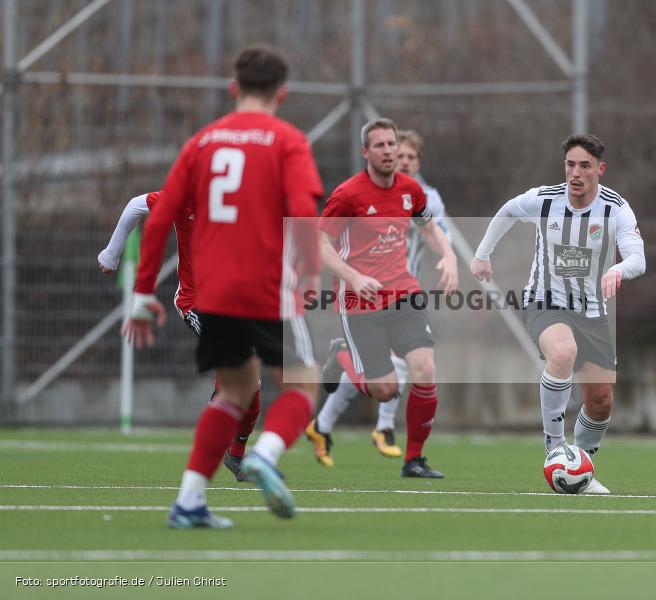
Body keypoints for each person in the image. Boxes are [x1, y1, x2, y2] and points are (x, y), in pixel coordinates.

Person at [122, 45, 323, 528]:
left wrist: (143, 292)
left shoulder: (202, 142)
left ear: (234, 88)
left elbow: (160, 216)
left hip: (211, 291)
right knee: (302, 383)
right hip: (268, 285)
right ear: (282, 92)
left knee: (233, 394)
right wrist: (312, 274)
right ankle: (266, 455)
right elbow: (302, 212)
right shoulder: (288, 140)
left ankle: (189, 501)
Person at [470, 133, 645, 495]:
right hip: (544, 302)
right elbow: (507, 211)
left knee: (601, 402)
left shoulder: (616, 208)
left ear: (600, 169)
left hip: (593, 313)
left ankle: (579, 469)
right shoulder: (544, 199)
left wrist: (617, 270)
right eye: (570, 165)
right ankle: (554, 452)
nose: (575, 173)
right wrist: (483, 253)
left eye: (584, 166)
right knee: (563, 353)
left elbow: (637, 258)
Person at [313, 118, 458, 478]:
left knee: (425, 369)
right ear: (366, 152)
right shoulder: (348, 195)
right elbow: (320, 244)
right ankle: (342, 356)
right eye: (380, 145)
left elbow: (428, 228)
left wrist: (449, 256)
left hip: (403, 292)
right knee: (386, 390)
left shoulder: (411, 190)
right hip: (359, 300)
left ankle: (414, 460)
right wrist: (353, 276)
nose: (389, 151)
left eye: (392, 144)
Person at [98, 191, 261, 481]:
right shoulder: (183, 194)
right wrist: (111, 254)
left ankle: (236, 454)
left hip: (236, 304)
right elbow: (136, 205)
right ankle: (200, 476)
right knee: (237, 371)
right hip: (194, 301)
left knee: (252, 382)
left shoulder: (242, 196)